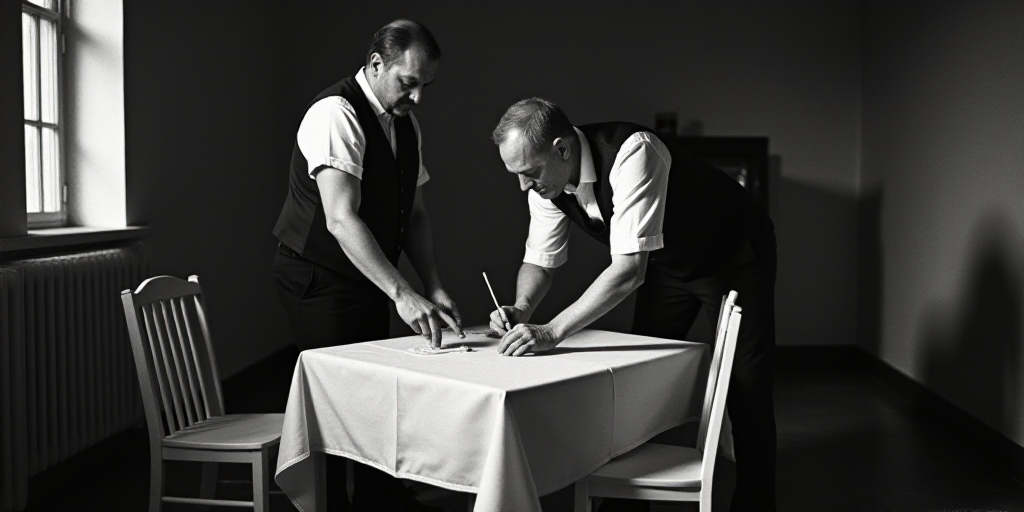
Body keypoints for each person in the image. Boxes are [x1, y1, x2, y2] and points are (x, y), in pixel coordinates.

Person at [487, 98, 777, 512]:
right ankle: (626, 502)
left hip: (733, 253)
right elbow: (540, 261)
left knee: (746, 386)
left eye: (529, 173)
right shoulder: (544, 181)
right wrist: (521, 307)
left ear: (562, 149)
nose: (523, 185)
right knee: (642, 377)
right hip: (666, 263)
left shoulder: (633, 151)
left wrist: (551, 331)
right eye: (516, 175)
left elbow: (627, 271)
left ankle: (757, 504)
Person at [272, 19, 460, 512]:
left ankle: (383, 498)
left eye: (425, 86)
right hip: (317, 277)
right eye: (408, 82)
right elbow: (340, 218)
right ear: (377, 64)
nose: (418, 97)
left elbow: (413, 213)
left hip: (369, 278)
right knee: (339, 406)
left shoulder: (405, 123)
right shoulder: (334, 113)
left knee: (375, 397)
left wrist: (432, 286)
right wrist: (403, 293)